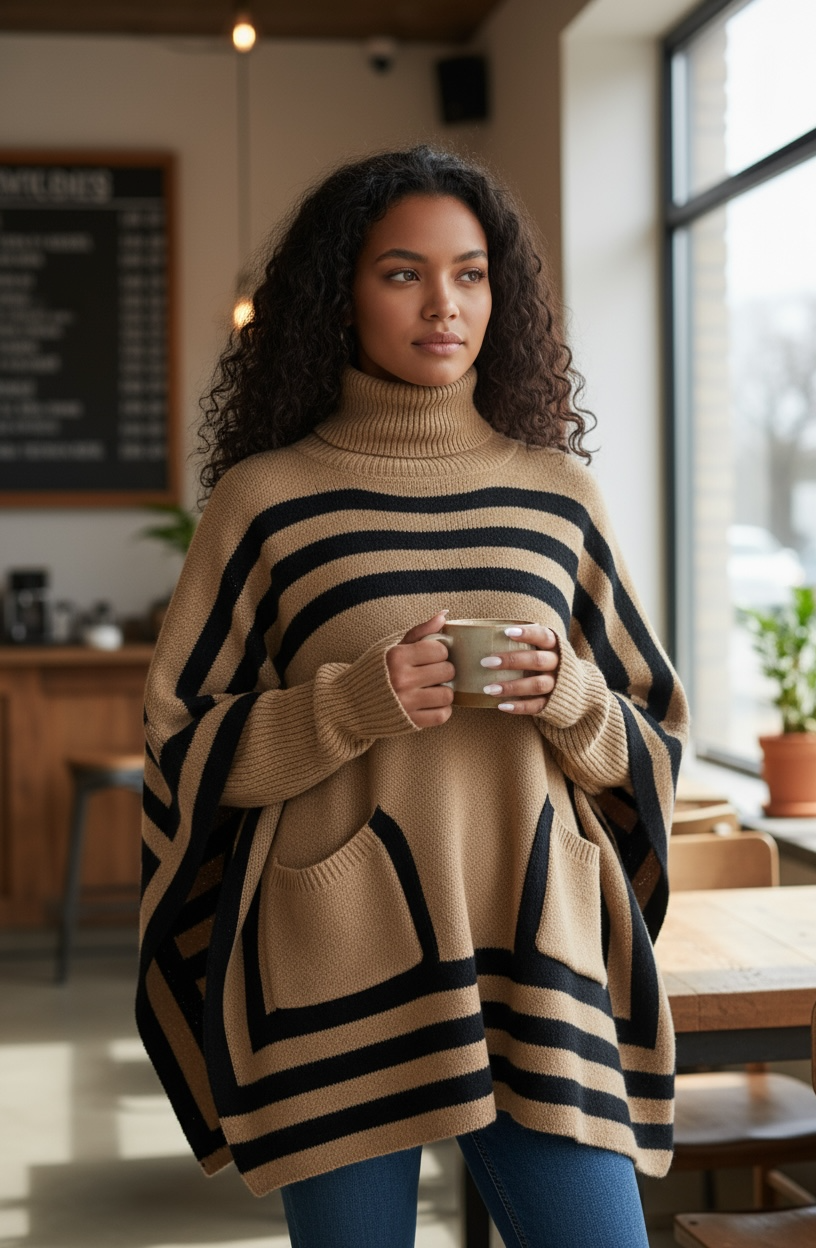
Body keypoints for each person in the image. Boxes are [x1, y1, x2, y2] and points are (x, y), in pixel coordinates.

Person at [137, 145, 689, 1248]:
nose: (445, 304)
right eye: (403, 273)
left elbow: (654, 741)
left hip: (539, 951)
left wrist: (570, 697)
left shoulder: (558, 495)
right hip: (334, 960)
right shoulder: (266, 502)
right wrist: (353, 704)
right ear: (339, 293)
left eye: (471, 273)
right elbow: (179, 749)